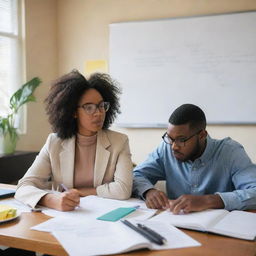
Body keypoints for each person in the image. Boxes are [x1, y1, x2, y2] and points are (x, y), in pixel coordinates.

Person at [15, 70, 133, 211]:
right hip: (66, 215)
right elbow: (24, 186)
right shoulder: (54, 143)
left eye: (101, 105)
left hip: (104, 215)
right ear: (73, 112)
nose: (99, 113)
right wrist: (51, 200)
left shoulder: (119, 141)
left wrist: (78, 192)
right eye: (89, 107)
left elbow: (123, 189)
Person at [133, 104, 256, 214]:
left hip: (219, 229)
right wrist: (148, 191)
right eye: (170, 138)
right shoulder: (166, 148)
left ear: (202, 135)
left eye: (182, 140)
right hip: (177, 224)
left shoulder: (230, 152)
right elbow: (137, 175)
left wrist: (208, 200)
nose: (174, 146)